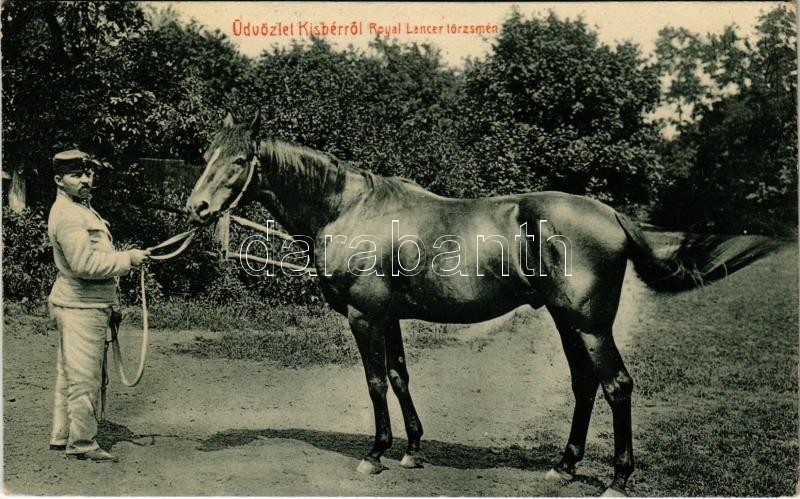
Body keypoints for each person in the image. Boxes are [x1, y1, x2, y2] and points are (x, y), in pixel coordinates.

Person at [47, 149, 149, 462]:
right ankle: (82, 443)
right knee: (84, 377)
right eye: (76, 175)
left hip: (84, 303)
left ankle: (62, 435)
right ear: (59, 180)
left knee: (70, 374)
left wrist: (112, 302)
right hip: (81, 306)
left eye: (88, 173)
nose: (85, 180)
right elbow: (84, 264)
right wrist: (128, 259)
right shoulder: (69, 215)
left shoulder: (81, 209)